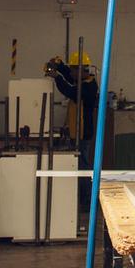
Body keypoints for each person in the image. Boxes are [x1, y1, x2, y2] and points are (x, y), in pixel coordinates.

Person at [45, 51, 98, 208]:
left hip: (83, 133)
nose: (72, 72)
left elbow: (70, 91)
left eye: (74, 69)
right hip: (77, 132)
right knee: (80, 166)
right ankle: (83, 199)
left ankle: (87, 202)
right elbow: (70, 76)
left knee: (83, 168)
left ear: (82, 70)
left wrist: (57, 77)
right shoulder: (82, 80)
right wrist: (59, 65)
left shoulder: (89, 87)